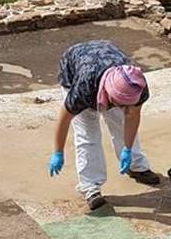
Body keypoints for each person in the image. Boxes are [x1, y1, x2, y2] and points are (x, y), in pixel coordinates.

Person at [48, 40, 159, 210]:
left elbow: (133, 116)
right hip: (75, 69)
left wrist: (127, 149)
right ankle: (90, 187)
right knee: (88, 135)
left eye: (127, 104)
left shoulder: (137, 85)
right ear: (108, 93)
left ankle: (136, 166)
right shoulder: (83, 89)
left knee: (122, 122)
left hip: (106, 62)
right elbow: (64, 118)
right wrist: (58, 152)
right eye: (119, 103)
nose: (123, 108)